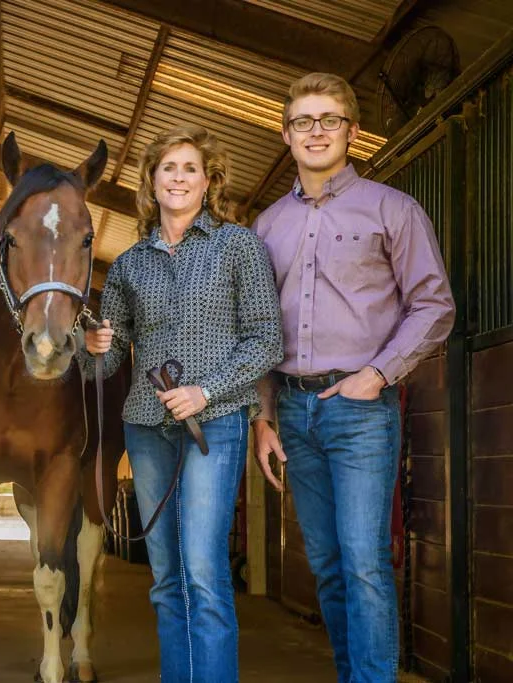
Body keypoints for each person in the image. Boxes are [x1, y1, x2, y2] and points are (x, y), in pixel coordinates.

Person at [251, 73, 455, 683]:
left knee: (366, 561)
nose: (316, 132)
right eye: (303, 122)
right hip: (292, 409)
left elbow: (434, 305)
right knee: (329, 565)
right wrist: (263, 417)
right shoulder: (265, 227)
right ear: (285, 134)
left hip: (360, 407)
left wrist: (378, 373)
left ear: (352, 132)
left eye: (329, 120)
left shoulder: (393, 208)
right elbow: (259, 333)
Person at [82, 123, 283, 682]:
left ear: (208, 180)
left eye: (189, 168)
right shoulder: (128, 263)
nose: (177, 177)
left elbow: (266, 338)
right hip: (146, 428)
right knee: (166, 576)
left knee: (202, 569)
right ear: (151, 180)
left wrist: (205, 390)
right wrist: (94, 344)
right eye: (167, 167)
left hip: (214, 425)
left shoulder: (237, 245)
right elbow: (111, 351)